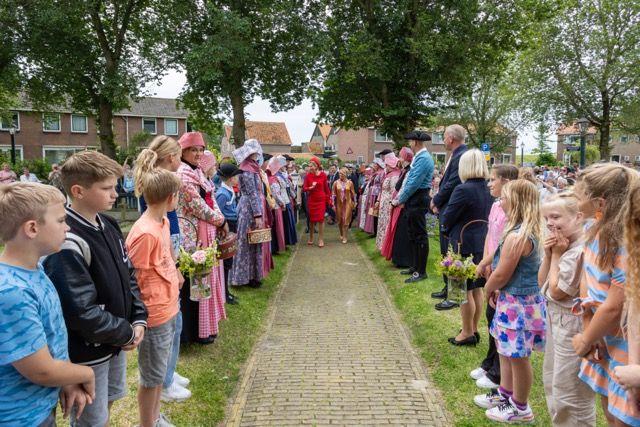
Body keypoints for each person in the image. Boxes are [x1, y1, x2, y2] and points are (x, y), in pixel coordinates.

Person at [43, 151, 148, 427]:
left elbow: (128, 274)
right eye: (106, 188)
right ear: (78, 191)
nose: (115, 194)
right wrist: (125, 333)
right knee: (91, 416)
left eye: (114, 186)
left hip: (114, 341)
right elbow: (79, 311)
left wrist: (138, 317)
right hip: (88, 352)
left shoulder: (110, 224)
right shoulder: (66, 241)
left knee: (108, 401)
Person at [0, 183, 95, 427]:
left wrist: (65, 379)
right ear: (32, 228)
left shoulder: (34, 270)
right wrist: (85, 373)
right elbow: (41, 370)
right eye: (61, 220)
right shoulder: (12, 292)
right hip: (21, 417)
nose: (68, 227)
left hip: (38, 405)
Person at [571, 163, 640, 426]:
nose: (575, 202)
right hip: (603, 338)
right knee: (609, 405)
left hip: (626, 346)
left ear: (600, 203)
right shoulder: (594, 231)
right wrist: (592, 330)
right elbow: (586, 282)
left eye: (579, 197)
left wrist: (586, 338)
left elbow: (615, 306)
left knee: (625, 414)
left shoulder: (625, 244)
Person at [475, 179, 545, 424]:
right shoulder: (516, 231)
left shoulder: (519, 236)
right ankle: (505, 393)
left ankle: (521, 406)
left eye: (504, 197)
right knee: (505, 350)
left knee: (517, 356)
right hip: (511, 301)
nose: (500, 201)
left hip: (518, 305)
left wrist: (488, 288)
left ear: (516, 202)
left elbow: (503, 273)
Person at [133, 135, 191, 402]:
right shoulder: (147, 229)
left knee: (174, 327)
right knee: (164, 339)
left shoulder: (163, 220)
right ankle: (163, 381)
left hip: (167, 290)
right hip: (156, 302)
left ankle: (167, 374)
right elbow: (138, 273)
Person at [126, 169, 182, 427]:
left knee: (158, 375)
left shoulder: (163, 222)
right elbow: (132, 277)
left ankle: (155, 417)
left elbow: (165, 259)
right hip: (154, 313)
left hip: (169, 307)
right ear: (171, 198)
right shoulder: (145, 232)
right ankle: (147, 423)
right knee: (150, 378)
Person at [538, 193, 595, 426]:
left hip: (571, 325)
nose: (550, 223)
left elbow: (558, 290)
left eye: (556, 217)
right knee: (553, 381)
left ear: (578, 217)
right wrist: (550, 255)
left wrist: (557, 255)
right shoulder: (562, 246)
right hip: (556, 319)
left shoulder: (577, 251)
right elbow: (542, 283)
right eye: (546, 218)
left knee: (570, 392)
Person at [176, 132, 227, 344]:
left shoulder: (198, 173)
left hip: (207, 232)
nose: (198, 154)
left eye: (200, 149)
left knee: (206, 277)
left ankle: (207, 326)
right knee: (196, 281)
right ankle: (196, 332)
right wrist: (221, 221)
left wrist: (220, 218)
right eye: (193, 150)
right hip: (193, 235)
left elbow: (211, 200)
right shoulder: (183, 175)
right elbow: (198, 207)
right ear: (183, 151)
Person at [471, 164, 519, 390]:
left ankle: (498, 371)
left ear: (507, 182)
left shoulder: (513, 211)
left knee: (497, 318)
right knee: (491, 319)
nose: (489, 183)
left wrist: (493, 263)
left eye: (493, 179)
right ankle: (490, 361)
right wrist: (483, 261)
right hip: (491, 263)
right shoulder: (495, 206)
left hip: (500, 265)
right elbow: (490, 234)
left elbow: (503, 243)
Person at [440, 149, 492, 346]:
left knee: (462, 290)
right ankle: (473, 327)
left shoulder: (462, 189)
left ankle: (467, 332)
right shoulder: (488, 188)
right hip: (482, 242)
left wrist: (445, 228)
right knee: (476, 289)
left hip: (462, 242)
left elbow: (448, 216)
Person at [431, 124, 468, 310]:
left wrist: (436, 200)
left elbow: (452, 183)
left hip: (452, 210)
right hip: (448, 208)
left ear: (451, 138)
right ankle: (447, 287)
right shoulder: (456, 154)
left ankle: (454, 294)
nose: (443, 140)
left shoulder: (461, 155)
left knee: (453, 252)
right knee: (445, 250)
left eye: (444, 136)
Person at [392, 131, 434, 284]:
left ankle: (421, 271)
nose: (409, 144)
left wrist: (399, 199)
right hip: (414, 198)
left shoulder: (423, 158)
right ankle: (415, 266)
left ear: (415, 142)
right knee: (413, 234)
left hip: (418, 197)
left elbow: (413, 182)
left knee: (420, 235)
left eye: (410, 141)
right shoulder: (419, 157)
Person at [230, 139, 266, 287]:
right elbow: (252, 193)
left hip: (251, 207)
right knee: (247, 242)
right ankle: (244, 278)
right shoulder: (247, 169)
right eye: (254, 152)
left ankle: (253, 276)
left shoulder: (252, 167)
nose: (257, 154)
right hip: (248, 210)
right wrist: (258, 215)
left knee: (254, 242)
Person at [215, 162, 242, 304]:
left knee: (230, 259)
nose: (238, 178)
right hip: (227, 227)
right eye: (237, 176)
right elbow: (218, 213)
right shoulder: (222, 194)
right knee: (226, 261)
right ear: (231, 178)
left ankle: (226, 292)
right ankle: (224, 294)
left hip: (232, 224)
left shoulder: (229, 191)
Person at [383, 147, 413, 267]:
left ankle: (403, 260)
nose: (398, 159)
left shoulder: (408, 171)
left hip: (402, 205)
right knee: (398, 233)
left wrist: (395, 201)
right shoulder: (404, 170)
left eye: (400, 157)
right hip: (399, 204)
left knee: (401, 233)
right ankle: (399, 259)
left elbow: (404, 188)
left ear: (404, 158)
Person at [303, 156, 331, 247]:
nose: (310, 167)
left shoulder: (323, 175)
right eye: (309, 165)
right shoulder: (308, 176)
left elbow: (326, 189)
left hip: (321, 200)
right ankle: (311, 237)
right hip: (312, 200)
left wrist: (329, 199)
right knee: (311, 220)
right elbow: (304, 188)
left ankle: (321, 239)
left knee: (321, 220)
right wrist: (310, 188)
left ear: (317, 166)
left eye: (312, 165)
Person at [376, 153, 401, 251]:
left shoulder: (394, 176)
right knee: (382, 223)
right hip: (383, 203)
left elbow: (393, 192)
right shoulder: (389, 175)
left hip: (388, 204)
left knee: (386, 224)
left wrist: (390, 203)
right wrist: (378, 200)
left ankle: (385, 247)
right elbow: (382, 189)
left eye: (387, 164)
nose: (385, 166)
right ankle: (381, 246)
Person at [267, 156, 286, 253]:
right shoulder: (272, 179)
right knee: (276, 228)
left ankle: (275, 248)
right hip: (276, 206)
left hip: (272, 206)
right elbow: (276, 194)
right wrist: (282, 203)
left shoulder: (270, 178)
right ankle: (276, 248)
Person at [332, 167, 357, 244]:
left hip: (348, 203)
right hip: (339, 204)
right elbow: (333, 194)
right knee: (340, 221)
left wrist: (355, 202)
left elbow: (353, 193)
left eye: (342, 174)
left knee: (346, 220)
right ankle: (341, 233)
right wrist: (333, 204)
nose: (340, 175)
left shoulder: (350, 183)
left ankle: (345, 236)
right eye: (339, 174)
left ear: (346, 174)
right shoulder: (336, 183)